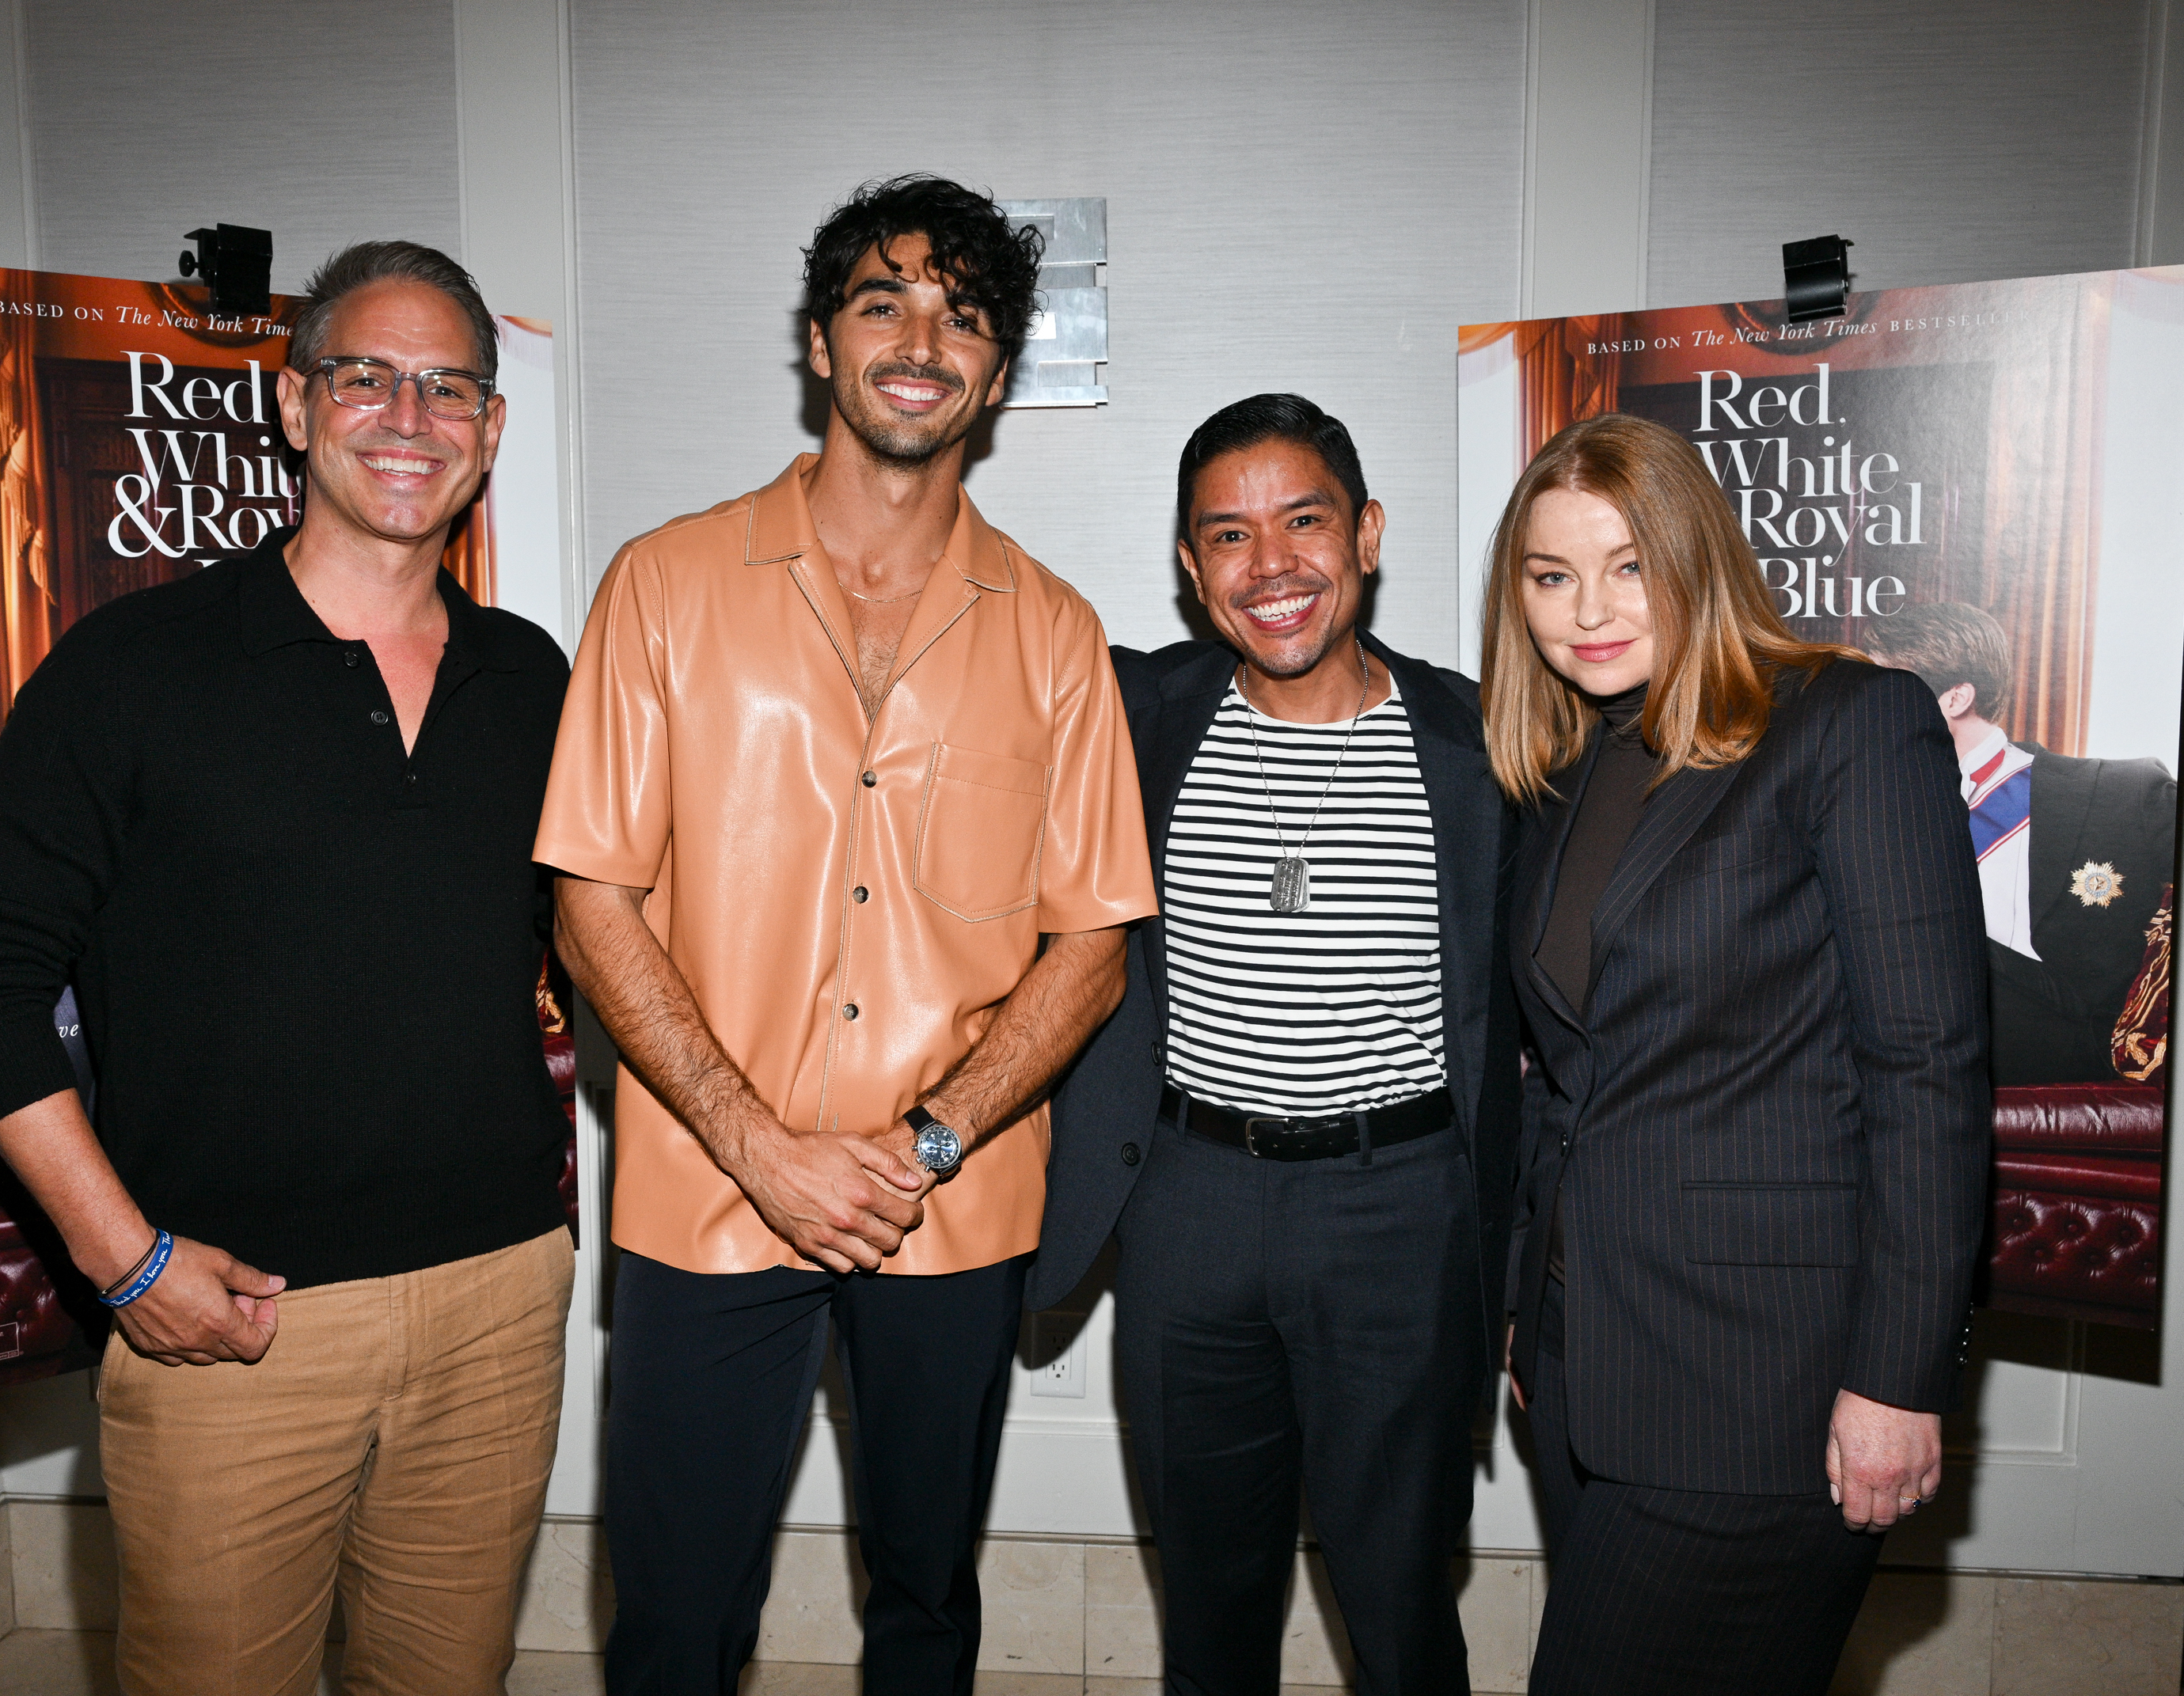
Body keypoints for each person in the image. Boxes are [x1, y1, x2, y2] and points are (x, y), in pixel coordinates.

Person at [0, 241, 575, 1696]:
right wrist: (120, 1255)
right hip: (234, 1326)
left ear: (493, 427)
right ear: (292, 404)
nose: (410, 413)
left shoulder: (535, 681)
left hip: (500, 1301)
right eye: (367, 376)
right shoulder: (136, 666)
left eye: (450, 383)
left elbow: (612, 940)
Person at [535, 174, 1155, 1695]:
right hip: (705, 1191)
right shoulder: (663, 587)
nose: (922, 336)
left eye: (962, 314)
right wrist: (763, 1146)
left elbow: (1094, 943)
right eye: (884, 301)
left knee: (929, 1603)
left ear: (999, 373)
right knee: (676, 1619)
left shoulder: (1058, 631)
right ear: (822, 344)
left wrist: (927, 1144)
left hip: (949, 1202)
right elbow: (588, 898)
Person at [1484, 413, 1992, 1696]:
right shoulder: (1563, 769)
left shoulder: (1847, 724)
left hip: (1769, 1386)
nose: (1589, 608)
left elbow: (1928, 1070)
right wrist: (1529, 1300)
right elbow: (1572, 1079)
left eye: (1628, 562)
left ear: (1698, 555)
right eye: (1552, 575)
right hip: (1590, 1363)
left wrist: (1897, 1376)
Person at [1035, 393, 1521, 1695]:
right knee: (1210, 1602)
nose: (1274, 567)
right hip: (1191, 1201)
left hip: (1402, 1209)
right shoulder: (1138, 713)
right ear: (1193, 569)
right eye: (1230, 536)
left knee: (1403, 1594)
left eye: (1303, 521)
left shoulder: (1486, 742)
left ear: (1364, 534)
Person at [1860, 601, 2176, 1084]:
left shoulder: (2126, 795)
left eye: (1879, 691)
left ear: (1954, 698)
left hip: (2061, 1037)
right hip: (1908, 1036)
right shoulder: (1862, 811)